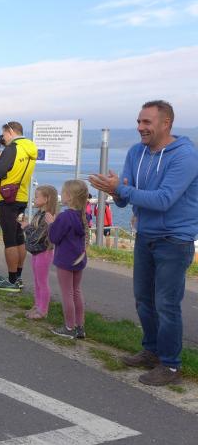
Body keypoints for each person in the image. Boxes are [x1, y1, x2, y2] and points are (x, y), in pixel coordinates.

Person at [89, 100, 198, 386]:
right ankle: (152, 351)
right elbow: (124, 198)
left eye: (146, 122)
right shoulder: (136, 152)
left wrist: (121, 189)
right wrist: (116, 191)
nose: (140, 127)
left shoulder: (185, 156)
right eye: (139, 121)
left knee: (166, 304)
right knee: (144, 300)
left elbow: (163, 200)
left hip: (174, 240)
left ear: (166, 123)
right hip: (146, 236)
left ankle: (170, 366)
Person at [0, 121, 37, 292]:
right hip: (21, 196)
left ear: (10, 131)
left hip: (7, 197)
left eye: (4, 135)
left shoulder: (12, 149)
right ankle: (18, 277)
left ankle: (11, 281)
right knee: (18, 237)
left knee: (9, 239)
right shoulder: (29, 147)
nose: (3, 138)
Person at [47, 180, 88, 339]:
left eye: (63, 192)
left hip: (65, 259)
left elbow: (54, 237)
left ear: (69, 197)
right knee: (76, 291)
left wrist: (51, 224)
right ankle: (80, 327)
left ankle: (69, 327)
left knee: (67, 293)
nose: (61, 194)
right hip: (79, 259)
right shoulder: (82, 216)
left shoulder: (64, 217)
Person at [20, 185, 57, 320]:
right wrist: (27, 226)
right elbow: (35, 232)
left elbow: (38, 236)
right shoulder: (39, 213)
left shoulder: (47, 216)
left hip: (44, 252)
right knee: (37, 281)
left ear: (46, 199)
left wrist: (26, 227)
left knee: (42, 282)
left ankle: (43, 310)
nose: (34, 199)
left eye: (36, 197)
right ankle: (37, 306)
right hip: (37, 252)